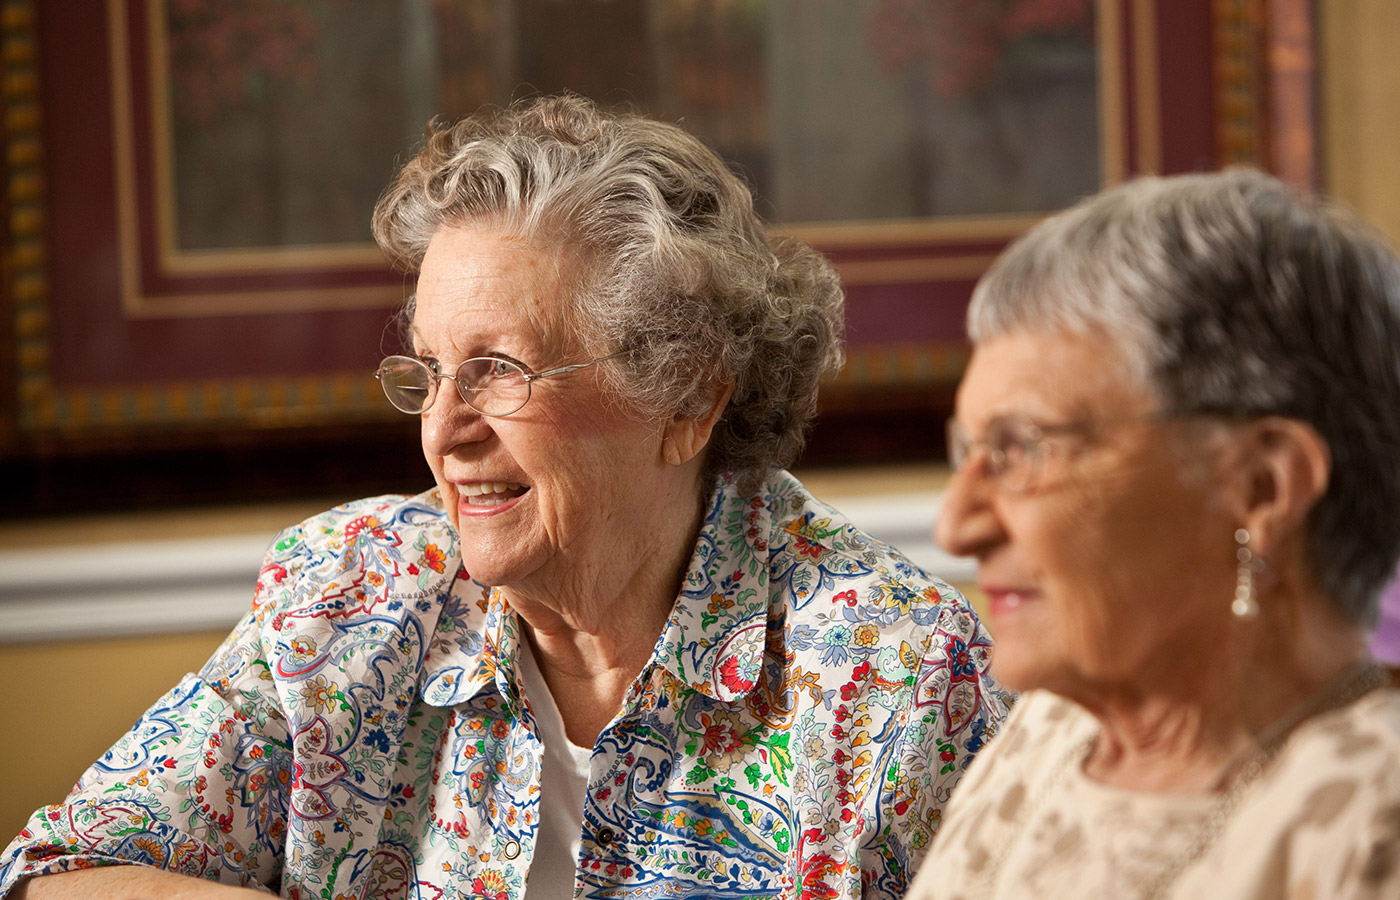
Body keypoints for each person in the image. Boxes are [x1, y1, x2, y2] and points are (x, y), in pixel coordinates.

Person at [1, 95, 1007, 900]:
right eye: (429, 371)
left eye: (499, 369)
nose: (443, 429)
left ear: (688, 396)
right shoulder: (345, 598)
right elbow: (59, 873)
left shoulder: (892, 678)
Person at [905, 169, 1400, 900]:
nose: (957, 526)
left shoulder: (1369, 825)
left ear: (1260, 489)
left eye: (1021, 450)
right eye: (968, 450)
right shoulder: (1046, 736)